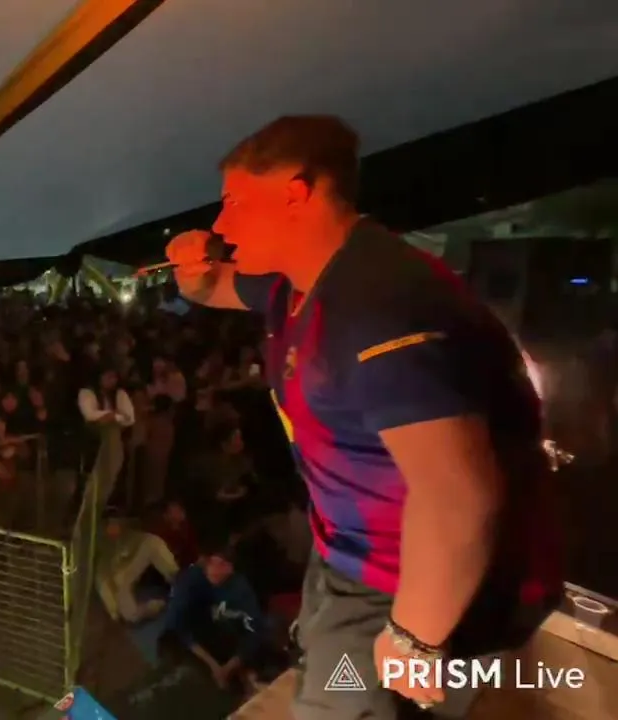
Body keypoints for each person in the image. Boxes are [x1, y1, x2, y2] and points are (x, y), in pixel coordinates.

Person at [164, 115, 562, 718]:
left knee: (338, 707)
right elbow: (209, 287)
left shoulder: (379, 303)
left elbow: (458, 496)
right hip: (352, 557)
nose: (220, 225)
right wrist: (186, 263)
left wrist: (414, 636)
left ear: (296, 193)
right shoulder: (300, 285)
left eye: (234, 203)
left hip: (403, 577)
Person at [160, 546, 269, 692]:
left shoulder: (239, 589)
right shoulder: (191, 584)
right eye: (210, 563)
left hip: (229, 639)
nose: (213, 569)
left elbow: (254, 632)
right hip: (195, 644)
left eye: (221, 564)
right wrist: (214, 666)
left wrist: (229, 667)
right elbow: (181, 631)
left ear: (230, 568)